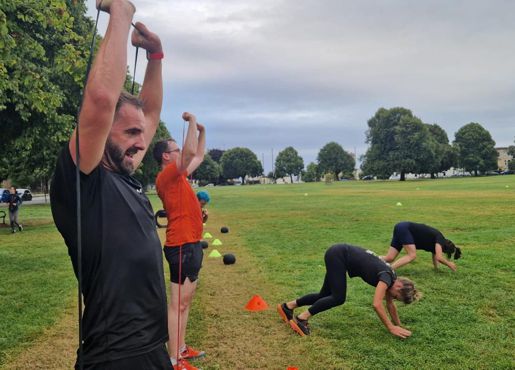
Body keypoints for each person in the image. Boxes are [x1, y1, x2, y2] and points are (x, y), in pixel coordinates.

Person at [50, 1, 170, 368]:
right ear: (103, 133)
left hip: (152, 347)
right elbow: (102, 100)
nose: (141, 141)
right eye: (130, 133)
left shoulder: (124, 178)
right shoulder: (84, 181)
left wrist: (155, 56)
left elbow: (148, 115)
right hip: (114, 357)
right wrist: (121, 12)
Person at [153, 113, 206, 370]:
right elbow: (189, 154)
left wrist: (201, 132)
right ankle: (173, 359)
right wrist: (192, 122)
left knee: (186, 301)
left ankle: (181, 348)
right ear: (166, 156)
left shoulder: (180, 176)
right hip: (181, 246)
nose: (180, 153)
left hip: (192, 243)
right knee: (178, 303)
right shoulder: (166, 177)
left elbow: (198, 156)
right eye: (175, 149)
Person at [277, 244, 419, 339]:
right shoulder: (386, 277)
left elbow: (389, 304)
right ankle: (302, 318)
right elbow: (377, 304)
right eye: (396, 296)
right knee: (338, 297)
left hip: (339, 254)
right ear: (399, 286)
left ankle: (288, 307)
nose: (393, 298)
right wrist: (390, 327)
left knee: (325, 295)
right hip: (338, 255)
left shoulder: (392, 277)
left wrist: (398, 325)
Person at [381, 221, 462, 271]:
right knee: (412, 255)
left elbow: (435, 257)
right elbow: (439, 257)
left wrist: (436, 268)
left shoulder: (435, 244)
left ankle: (371, 259)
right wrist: (449, 264)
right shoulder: (440, 238)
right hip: (405, 228)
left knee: (389, 258)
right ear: (444, 248)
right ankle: (389, 270)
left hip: (400, 227)